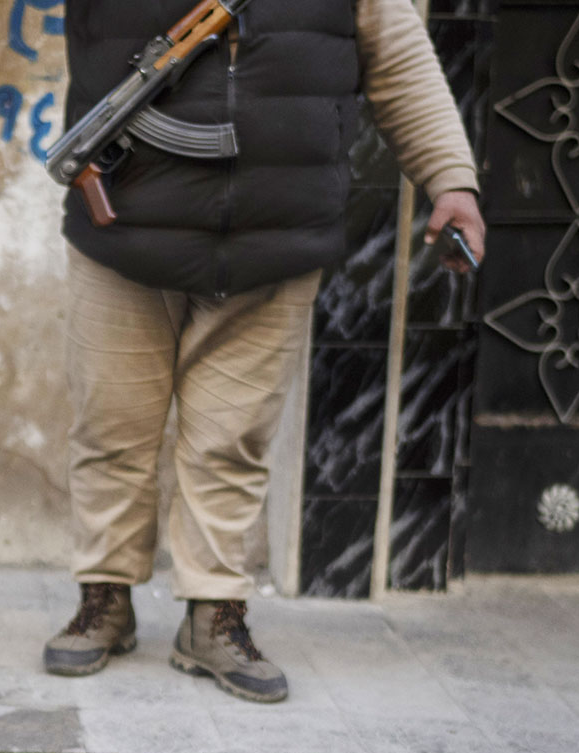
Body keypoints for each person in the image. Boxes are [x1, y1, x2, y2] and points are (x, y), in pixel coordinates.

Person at [43, 0, 486, 702]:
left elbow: (400, 60)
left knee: (233, 438)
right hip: (124, 231)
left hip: (278, 233)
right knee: (112, 426)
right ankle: (105, 597)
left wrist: (450, 179)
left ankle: (215, 614)